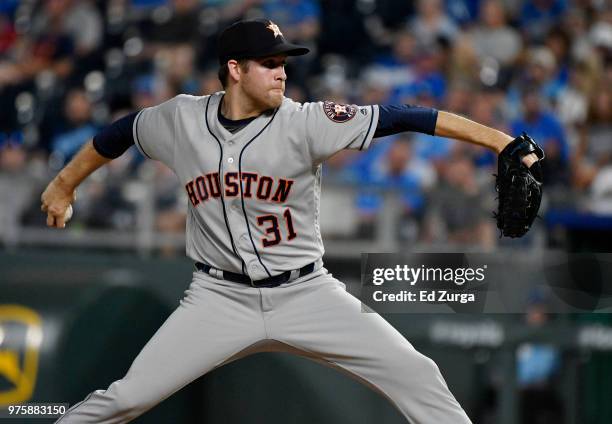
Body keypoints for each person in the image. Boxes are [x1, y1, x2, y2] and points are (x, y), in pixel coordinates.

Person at [42, 19, 539, 424]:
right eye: (270, 63)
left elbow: (404, 115)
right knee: (127, 399)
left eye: (284, 63)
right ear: (234, 69)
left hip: (308, 294)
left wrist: (499, 142)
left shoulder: (306, 120)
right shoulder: (181, 119)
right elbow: (120, 132)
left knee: (417, 374)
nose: (282, 73)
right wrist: (65, 183)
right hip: (218, 299)